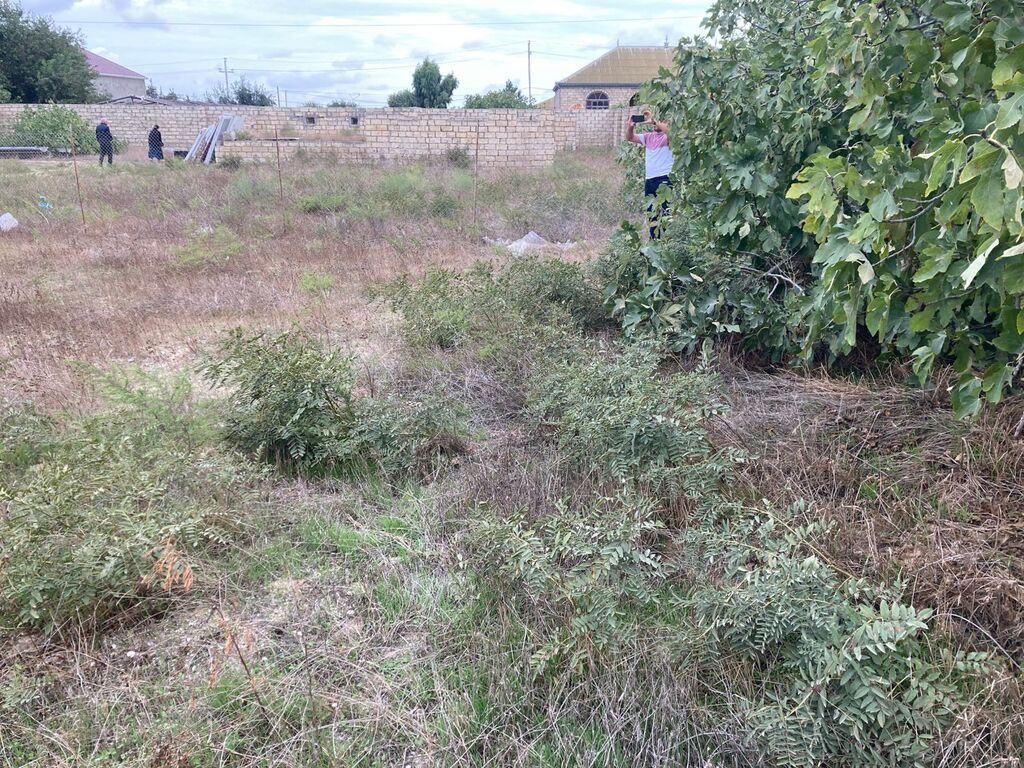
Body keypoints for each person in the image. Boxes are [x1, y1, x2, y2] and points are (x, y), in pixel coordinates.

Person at [626, 111, 674, 239]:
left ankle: (669, 240)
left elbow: (671, 133)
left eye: (661, 121)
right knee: (652, 213)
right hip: (650, 180)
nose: (655, 124)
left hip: (665, 178)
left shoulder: (668, 137)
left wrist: (655, 120)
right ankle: (655, 240)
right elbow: (630, 137)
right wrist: (630, 127)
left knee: (667, 212)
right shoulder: (648, 137)